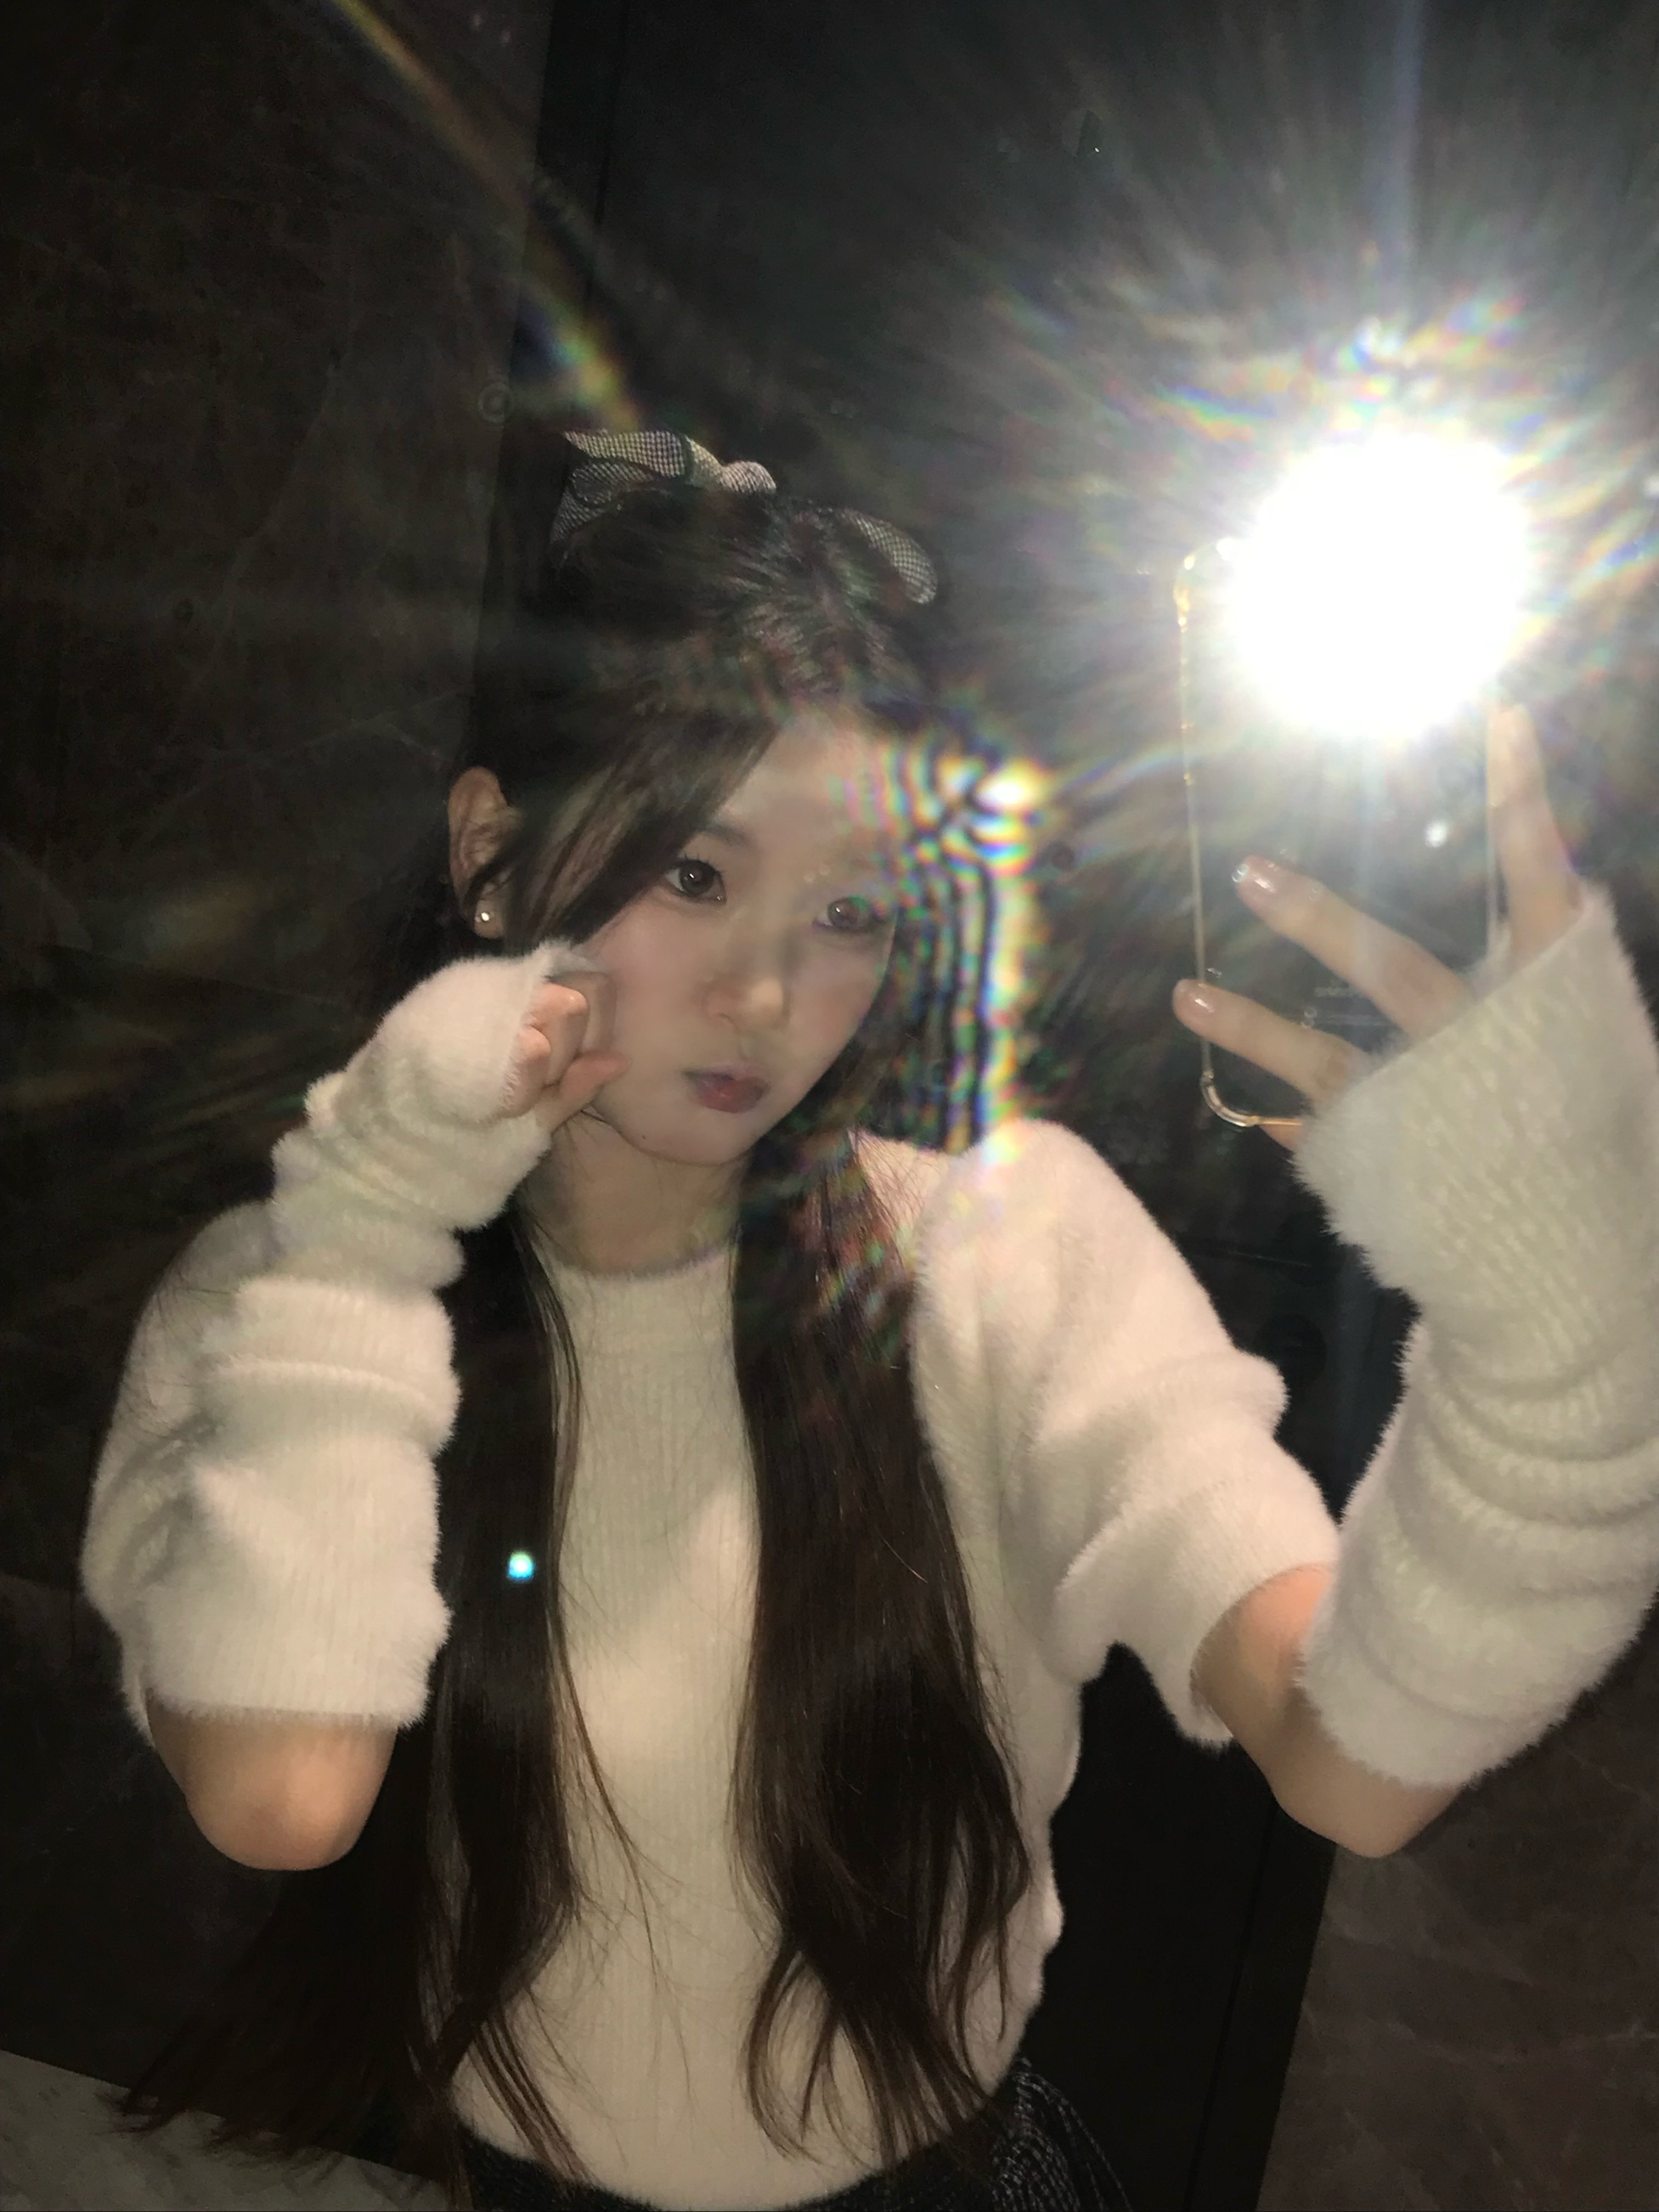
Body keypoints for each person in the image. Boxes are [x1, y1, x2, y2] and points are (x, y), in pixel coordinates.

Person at [81, 432, 1659, 2212]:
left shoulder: (1004, 1254)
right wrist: (372, 1223)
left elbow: (1348, 1758)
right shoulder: (292, 1297)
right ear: (493, 854)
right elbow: (282, 1797)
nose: (768, 992)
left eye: (849, 912)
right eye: (696, 875)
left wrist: (1567, 1348)